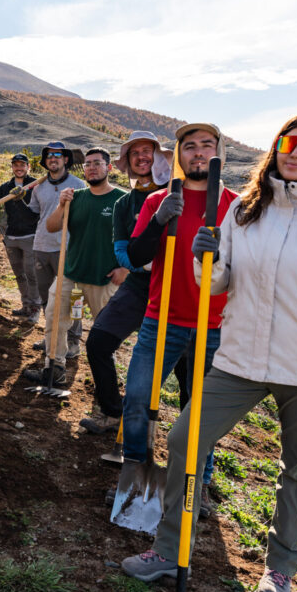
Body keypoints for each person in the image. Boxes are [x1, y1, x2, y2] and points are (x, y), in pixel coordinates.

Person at [121, 112, 297, 592]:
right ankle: (170, 549)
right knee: (184, 439)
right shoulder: (244, 209)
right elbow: (219, 284)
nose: (293, 153)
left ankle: (280, 569)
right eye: (287, 143)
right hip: (240, 358)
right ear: (275, 146)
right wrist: (209, 260)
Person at [121, 124, 239, 516]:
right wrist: (157, 222)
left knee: (201, 410)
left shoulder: (237, 207)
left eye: (207, 145)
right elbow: (135, 257)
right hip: (161, 320)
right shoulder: (158, 200)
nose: (198, 153)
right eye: (190, 147)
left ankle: (198, 483)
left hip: (214, 325)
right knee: (138, 399)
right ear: (178, 156)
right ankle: (136, 474)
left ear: (220, 153)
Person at [80, 132, 176, 434]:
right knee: (97, 343)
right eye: (135, 153)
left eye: (148, 151)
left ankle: (189, 444)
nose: (142, 157)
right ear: (127, 163)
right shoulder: (124, 205)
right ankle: (112, 412)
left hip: (177, 288)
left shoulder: (177, 193)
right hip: (139, 285)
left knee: (180, 366)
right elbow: (122, 251)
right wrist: (142, 261)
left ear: (159, 157)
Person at [23, 148, 125, 385]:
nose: (91, 167)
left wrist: (126, 269)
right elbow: (51, 226)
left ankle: (109, 383)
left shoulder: (122, 199)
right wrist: (61, 205)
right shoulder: (75, 197)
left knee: (106, 332)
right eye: (88, 164)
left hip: (104, 279)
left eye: (97, 163)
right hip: (72, 275)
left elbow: (135, 237)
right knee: (56, 317)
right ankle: (54, 368)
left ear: (108, 168)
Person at [28, 141, 87, 356]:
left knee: (73, 297)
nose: (53, 158)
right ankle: (51, 336)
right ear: (45, 162)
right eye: (49, 156)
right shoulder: (38, 186)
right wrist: (18, 197)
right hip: (42, 246)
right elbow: (34, 213)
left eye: (58, 155)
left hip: (69, 248)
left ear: (65, 160)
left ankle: (73, 340)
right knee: (46, 297)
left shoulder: (78, 184)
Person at [0, 153, 40, 322]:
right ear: (12, 167)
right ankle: (25, 305)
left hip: (31, 235)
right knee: (19, 274)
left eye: (22, 165)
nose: (19, 168)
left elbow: (36, 213)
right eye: (16, 165)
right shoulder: (6, 187)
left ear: (28, 167)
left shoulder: (36, 185)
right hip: (11, 236)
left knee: (31, 274)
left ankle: (35, 309)